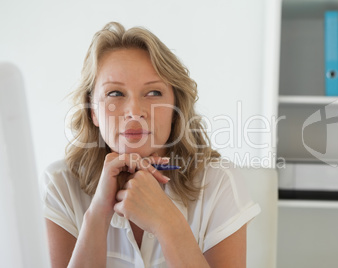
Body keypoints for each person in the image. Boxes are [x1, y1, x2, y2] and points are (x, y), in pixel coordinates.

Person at [42, 22, 261, 268]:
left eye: (153, 93)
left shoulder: (219, 182)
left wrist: (167, 223)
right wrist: (96, 216)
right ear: (92, 110)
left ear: (175, 109)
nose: (135, 112)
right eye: (115, 93)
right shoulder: (61, 185)